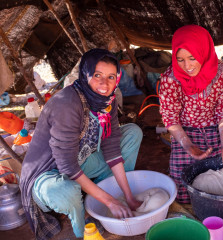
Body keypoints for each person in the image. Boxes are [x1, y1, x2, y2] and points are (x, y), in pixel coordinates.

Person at [20, 49, 143, 239]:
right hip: (50, 171)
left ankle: (103, 191)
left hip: (82, 157)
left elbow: (111, 148)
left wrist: (128, 197)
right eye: (97, 75)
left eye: (111, 76)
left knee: (132, 133)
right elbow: (67, 165)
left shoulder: (106, 101)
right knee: (67, 191)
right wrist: (111, 203)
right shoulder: (67, 103)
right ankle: (81, 228)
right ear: (85, 74)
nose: (105, 83)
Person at [159, 25, 223, 203]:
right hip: (185, 131)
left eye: (192, 58)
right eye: (180, 59)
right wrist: (186, 145)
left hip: (216, 128)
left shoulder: (222, 72)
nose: (187, 66)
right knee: (183, 188)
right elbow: (170, 117)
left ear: (204, 51)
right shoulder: (170, 79)